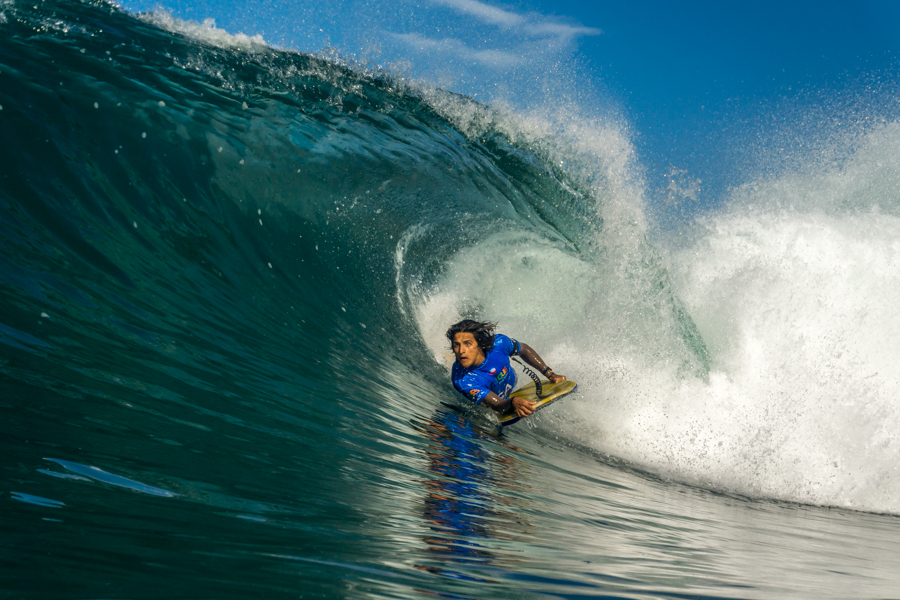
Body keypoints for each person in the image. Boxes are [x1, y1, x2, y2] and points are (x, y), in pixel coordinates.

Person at [447, 319, 566, 418]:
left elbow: (524, 349)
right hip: (490, 401)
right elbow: (498, 405)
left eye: (467, 343)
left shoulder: (499, 344)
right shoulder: (463, 380)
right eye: (456, 345)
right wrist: (513, 402)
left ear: (478, 343)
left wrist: (550, 374)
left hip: (511, 379)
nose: (461, 351)